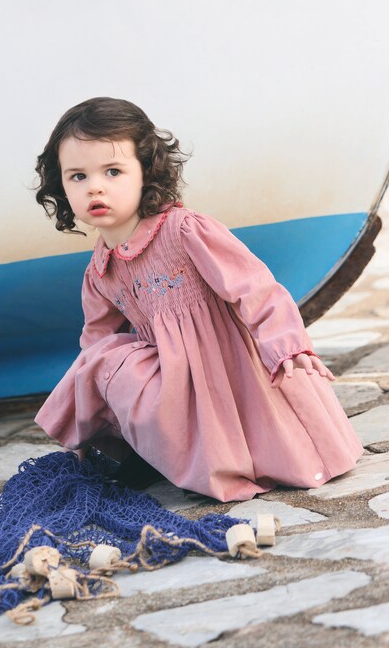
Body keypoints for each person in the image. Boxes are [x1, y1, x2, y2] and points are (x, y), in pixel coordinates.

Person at [33, 97, 363, 501]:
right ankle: (140, 452)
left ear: (145, 173)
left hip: (230, 367)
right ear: (61, 187)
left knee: (263, 442)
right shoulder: (101, 268)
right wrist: (93, 415)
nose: (95, 186)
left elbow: (254, 287)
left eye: (114, 171)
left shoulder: (185, 231)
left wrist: (286, 343)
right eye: (77, 177)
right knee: (103, 360)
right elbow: (95, 343)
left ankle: (228, 457)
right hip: (175, 379)